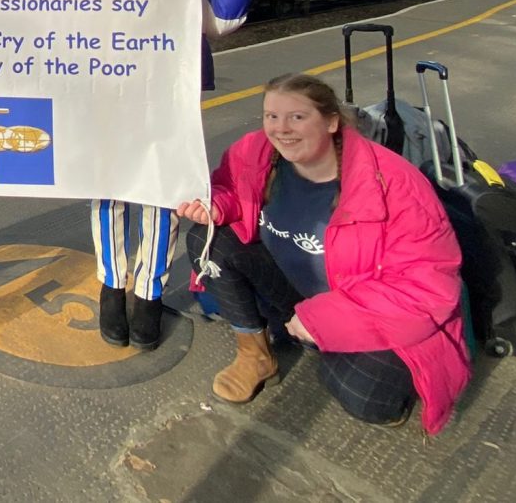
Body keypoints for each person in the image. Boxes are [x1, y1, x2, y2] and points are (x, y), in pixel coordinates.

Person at [176, 73, 469, 434]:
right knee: (208, 239)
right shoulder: (256, 153)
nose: (281, 129)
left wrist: (325, 319)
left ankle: (329, 350)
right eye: (271, 116)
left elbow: (425, 289)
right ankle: (256, 355)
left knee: (361, 394)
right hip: (294, 293)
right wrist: (216, 207)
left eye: (297, 117)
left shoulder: (394, 184)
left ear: (331, 122)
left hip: (362, 307)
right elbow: (233, 191)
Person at [57, 0, 253, 350]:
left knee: (160, 190)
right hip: (101, 86)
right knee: (107, 187)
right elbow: (56, 16)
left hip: (167, 90)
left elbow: (222, 22)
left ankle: (148, 291)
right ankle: (112, 283)